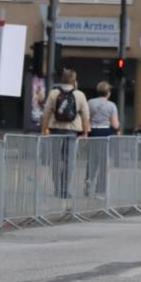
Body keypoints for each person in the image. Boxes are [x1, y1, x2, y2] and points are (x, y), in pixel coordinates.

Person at [41, 68, 90, 199]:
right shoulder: (80, 95)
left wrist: (43, 130)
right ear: (74, 81)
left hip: (55, 131)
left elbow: (45, 114)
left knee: (56, 160)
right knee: (69, 162)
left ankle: (57, 188)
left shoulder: (53, 93)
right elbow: (85, 116)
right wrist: (85, 133)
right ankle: (65, 189)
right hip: (72, 132)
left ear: (62, 79)